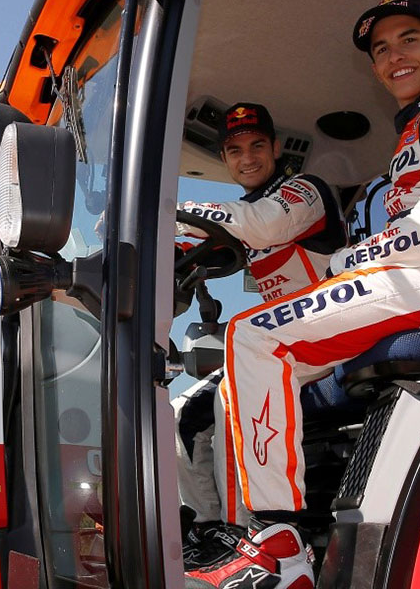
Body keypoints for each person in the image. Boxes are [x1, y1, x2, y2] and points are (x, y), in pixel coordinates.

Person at [185, 0, 420, 588]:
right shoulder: (419, 126)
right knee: (216, 387)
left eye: (410, 40)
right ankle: (245, 535)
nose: (394, 56)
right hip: (419, 277)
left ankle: (278, 548)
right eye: (381, 50)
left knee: (255, 336)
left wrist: (347, 262)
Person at [171, 102, 346, 570]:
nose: (246, 158)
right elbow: (193, 240)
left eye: (256, 146)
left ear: (274, 149)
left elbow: (263, 224)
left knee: (233, 394)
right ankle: (210, 529)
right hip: (281, 344)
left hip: (334, 331)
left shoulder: (305, 192)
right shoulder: (238, 213)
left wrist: (175, 209)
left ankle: (248, 537)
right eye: (234, 150)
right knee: (183, 411)